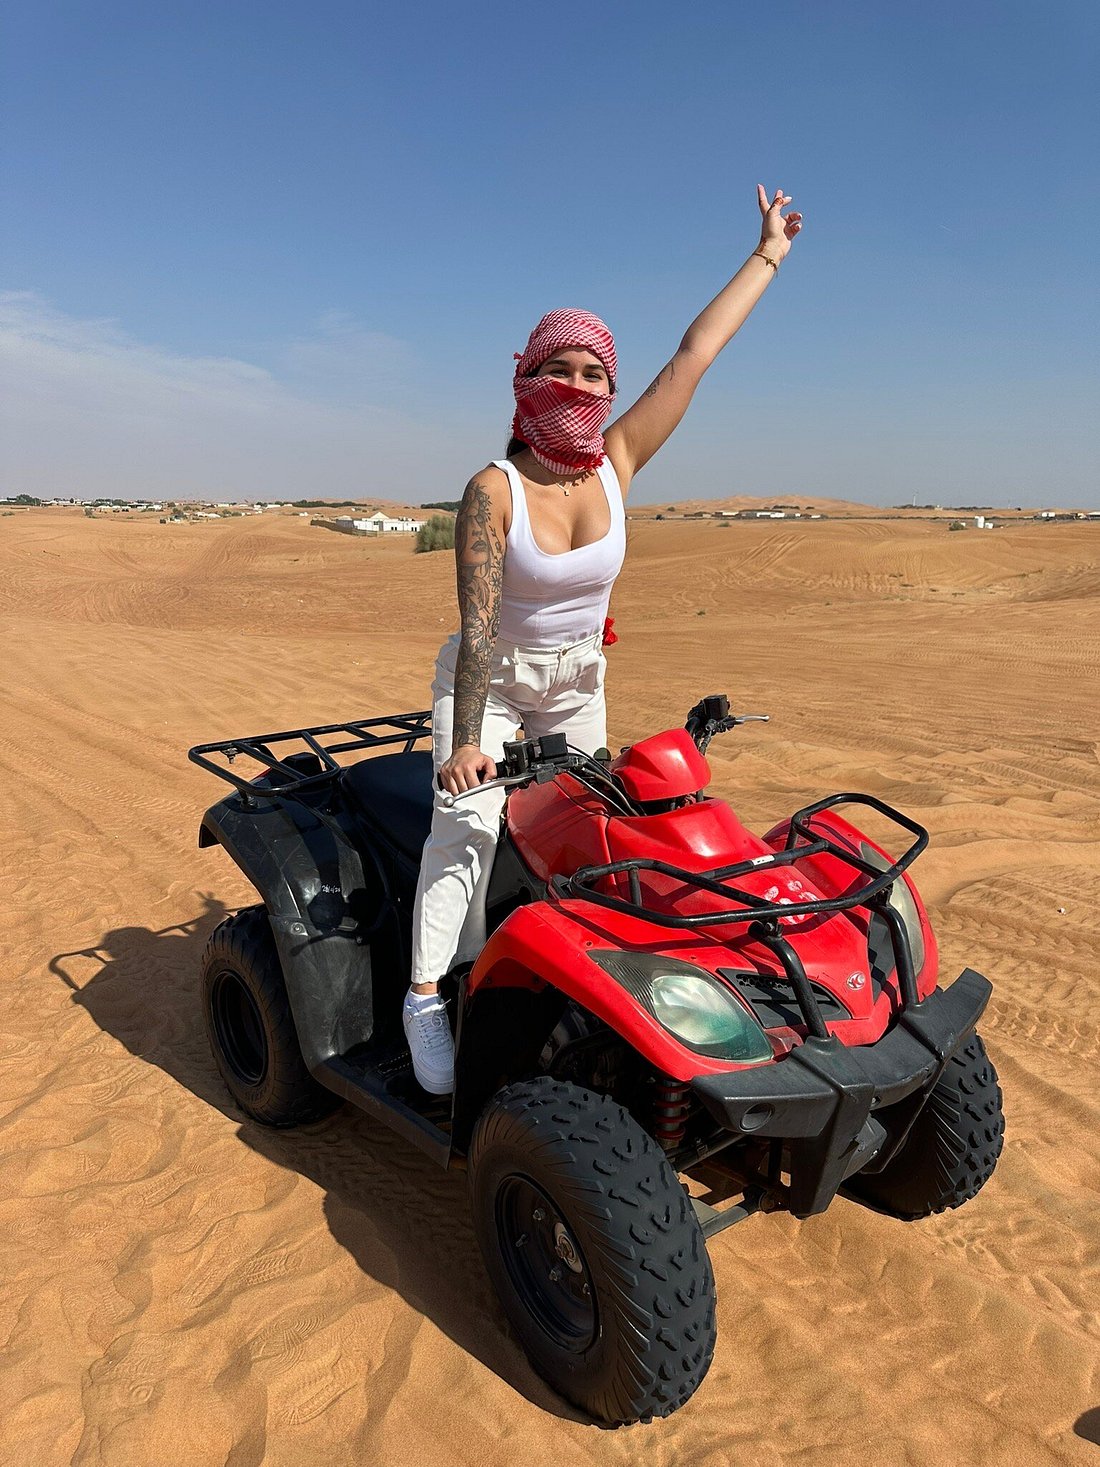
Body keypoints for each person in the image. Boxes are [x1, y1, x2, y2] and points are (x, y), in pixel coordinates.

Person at [403, 185, 803, 1093]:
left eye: (595, 375)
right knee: (464, 827)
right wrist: (468, 742)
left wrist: (769, 252)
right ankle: (426, 994)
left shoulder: (617, 464)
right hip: (493, 686)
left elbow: (694, 356)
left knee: (591, 841)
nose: (579, 388)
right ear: (526, 379)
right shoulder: (494, 489)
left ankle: (571, 999)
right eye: (562, 370)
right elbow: (474, 630)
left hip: (578, 685)